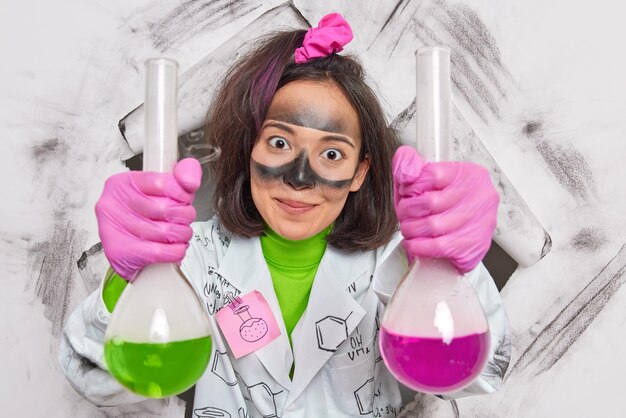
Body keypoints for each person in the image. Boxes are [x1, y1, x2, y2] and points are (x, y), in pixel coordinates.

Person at [60, 13, 509, 418]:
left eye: (332, 153)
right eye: (279, 143)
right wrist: (131, 278)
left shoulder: (399, 263)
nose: (300, 178)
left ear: (360, 172)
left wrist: (451, 270)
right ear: (249, 147)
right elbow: (93, 379)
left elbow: (486, 372)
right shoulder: (189, 257)